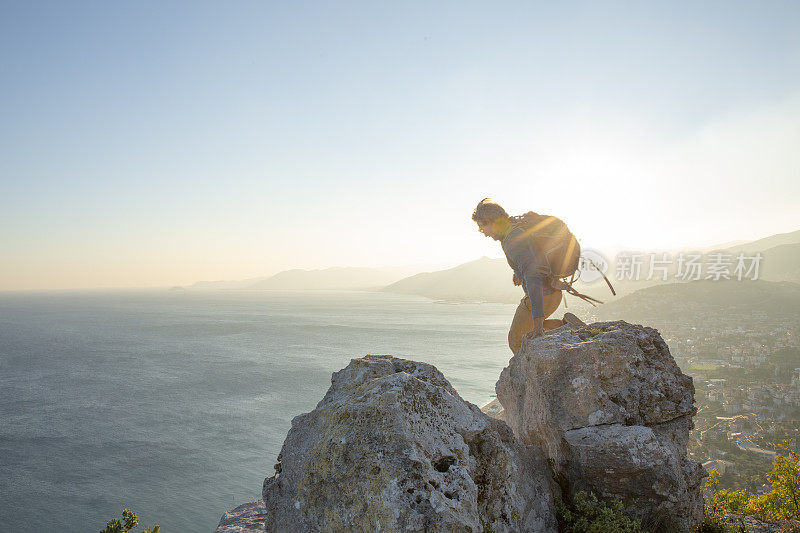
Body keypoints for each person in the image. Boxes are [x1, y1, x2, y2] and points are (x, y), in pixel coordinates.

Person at [472, 198, 586, 353]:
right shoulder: (514, 228)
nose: (483, 233)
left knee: (516, 339)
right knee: (525, 331)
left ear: (489, 222)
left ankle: (540, 371)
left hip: (542, 295)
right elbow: (533, 259)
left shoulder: (512, 240)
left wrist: (538, 323)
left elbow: (533, 279)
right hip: (552, 293)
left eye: (481, 228)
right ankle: (565, 326)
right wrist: (519, 273)